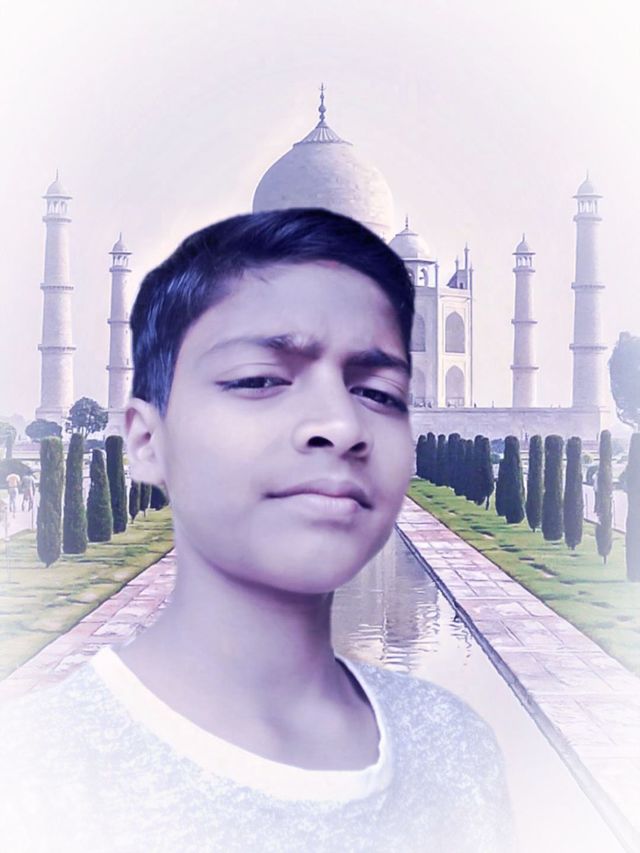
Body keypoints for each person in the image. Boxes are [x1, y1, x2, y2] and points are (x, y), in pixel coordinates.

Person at [0, 209, 515, 852]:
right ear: (147, 441)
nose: (338, 425)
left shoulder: (456, 749)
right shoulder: (32, 777)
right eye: (261, 380)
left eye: (377, 391)